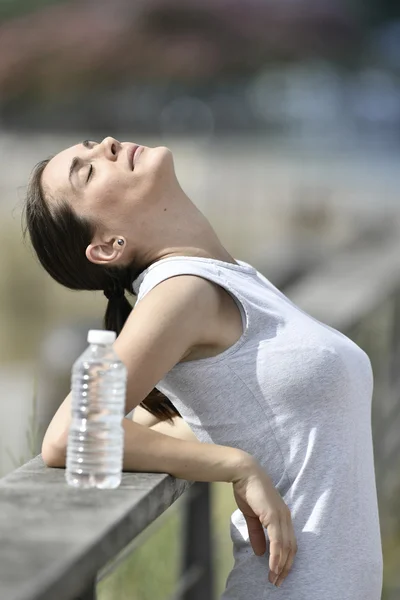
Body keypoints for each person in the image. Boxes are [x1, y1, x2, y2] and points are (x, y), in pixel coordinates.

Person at [23, 136, 383, 599]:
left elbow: (195, 418)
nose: (107, 145)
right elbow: (72, 433)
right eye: (87, 171)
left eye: (94, 145)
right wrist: (235, 465)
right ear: (109, 246)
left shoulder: (229, 277)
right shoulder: (180, 291)